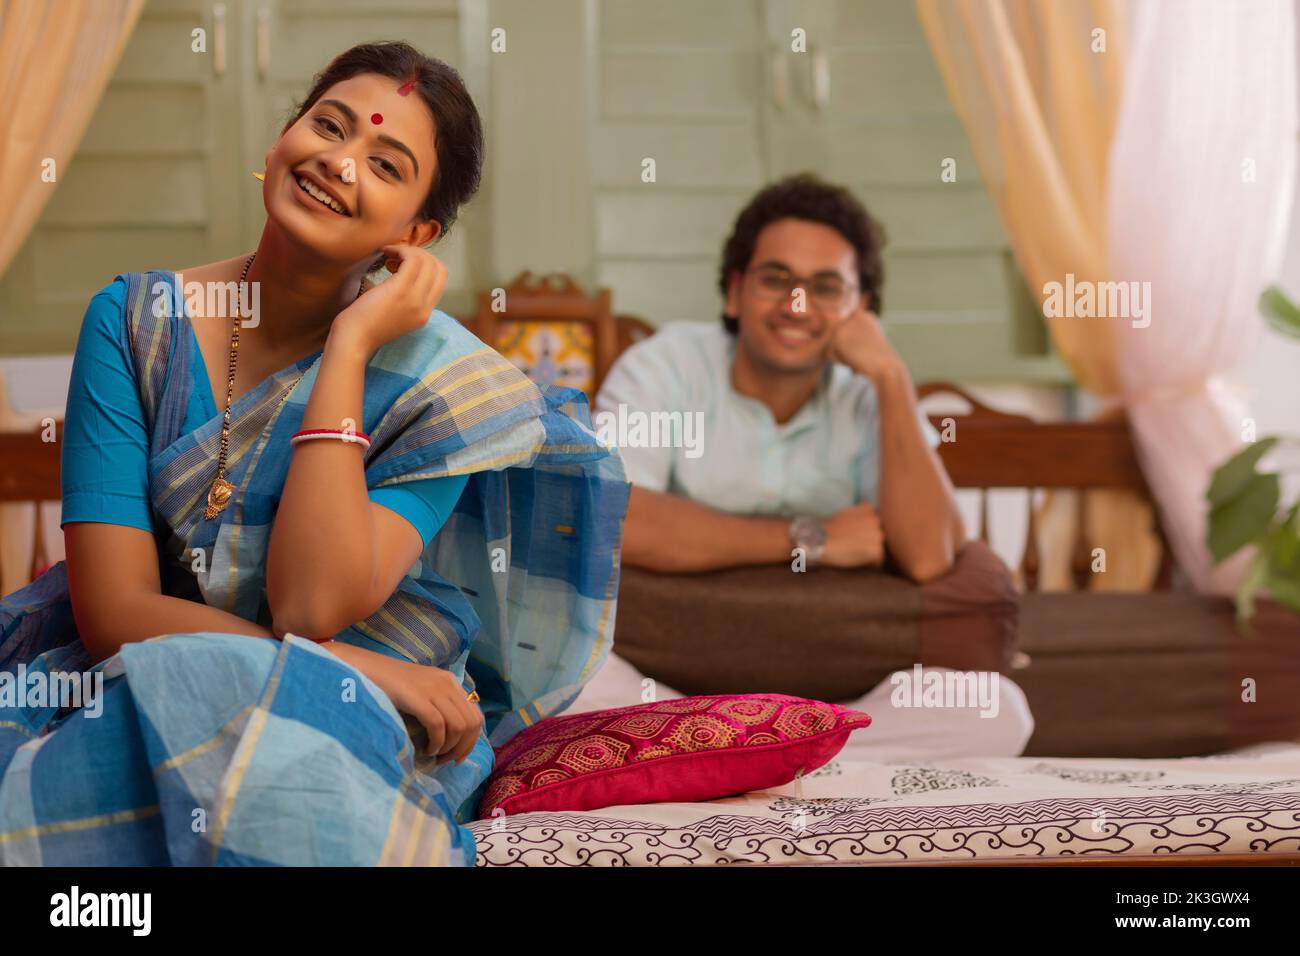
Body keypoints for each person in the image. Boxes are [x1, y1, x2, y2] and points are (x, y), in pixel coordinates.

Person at [0, 42, 626, 866]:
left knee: (301, 780)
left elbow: (310, 604)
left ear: (416, 233)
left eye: (385, 162)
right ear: (279, 142)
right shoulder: (131, 324)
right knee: (104, 768)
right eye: (326, 126)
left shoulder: (443, 388)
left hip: (362, 702)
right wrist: (345, 663)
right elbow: (116, 615)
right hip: (148, 668)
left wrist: (353, 346)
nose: (338, 160)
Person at [567, 174, 1033, 759]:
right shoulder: (663, 366)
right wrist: (810, 538)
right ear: (735, 292)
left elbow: (930, 556)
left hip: (837, 698)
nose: (796, 306)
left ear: (861, 309)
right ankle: (784, 761)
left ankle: (727, 761)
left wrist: (891, 379)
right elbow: (617, 516)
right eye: (775, 280)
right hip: (669, 690)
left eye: (825, 287)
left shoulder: (870, 394)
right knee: (569, 680)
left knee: (992, 710)